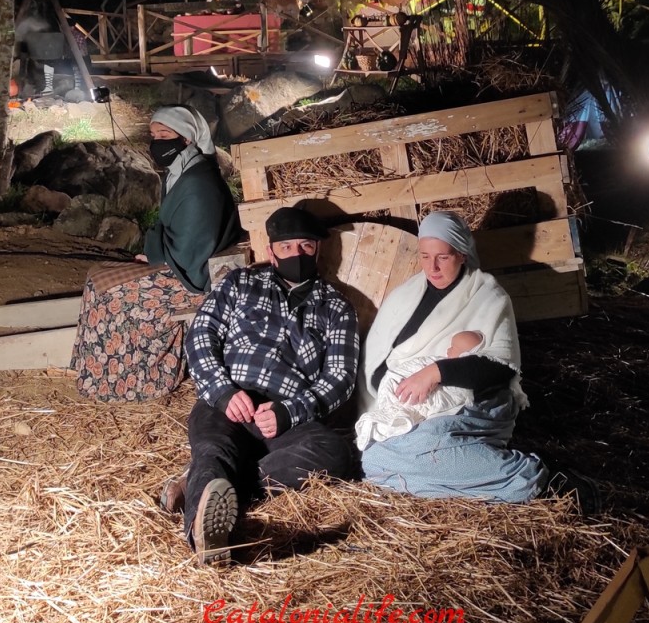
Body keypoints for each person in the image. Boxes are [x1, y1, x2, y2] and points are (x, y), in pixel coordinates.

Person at [164, 206, 359, 566]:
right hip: (229, 403)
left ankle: (202, 482)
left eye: (305, 246)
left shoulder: (336, 308)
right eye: (286, 247)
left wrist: (291, 411)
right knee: (215, 447)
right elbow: (201, 335)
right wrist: (222, 391)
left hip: (286, 417)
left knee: (336, 454)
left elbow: (340, 377)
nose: (297, 254)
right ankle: (205, 539)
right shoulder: (239, 284)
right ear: (271, 251)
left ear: (318, 249)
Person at [357, 210, 547, 502]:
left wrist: (435, 372)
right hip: (413, 406)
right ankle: (473, 478)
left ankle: (529, 479)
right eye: (424, 256)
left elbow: (501, 368)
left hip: (475, 403)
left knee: (420, 447)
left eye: (442, 257)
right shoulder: (403, 296)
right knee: (374, 460)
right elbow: (378, 358)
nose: (432, 267)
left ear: (462, 254)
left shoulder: (488, 297)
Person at [72, 104, 244, 402]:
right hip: (179, 262)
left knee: (109, 291)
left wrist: (154, 255)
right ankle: (94, 372)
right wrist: (156, 252)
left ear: (187, 138)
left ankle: (138, 381)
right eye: (153, 135)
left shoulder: (198, 182)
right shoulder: (183, 172)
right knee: (97, 275)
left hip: (195, 277)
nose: (157, 142)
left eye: (165, 135)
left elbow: (190, 253)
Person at [354, 329, 482, 451]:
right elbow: (413, 367)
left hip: (419, 408)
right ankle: (386, 420)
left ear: (465, 356)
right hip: (401, 388)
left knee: (403, 417)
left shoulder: (461, 381)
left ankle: (387, 423)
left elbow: (451, 397)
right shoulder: (435, 361)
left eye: (453, 348)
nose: (448, 349)